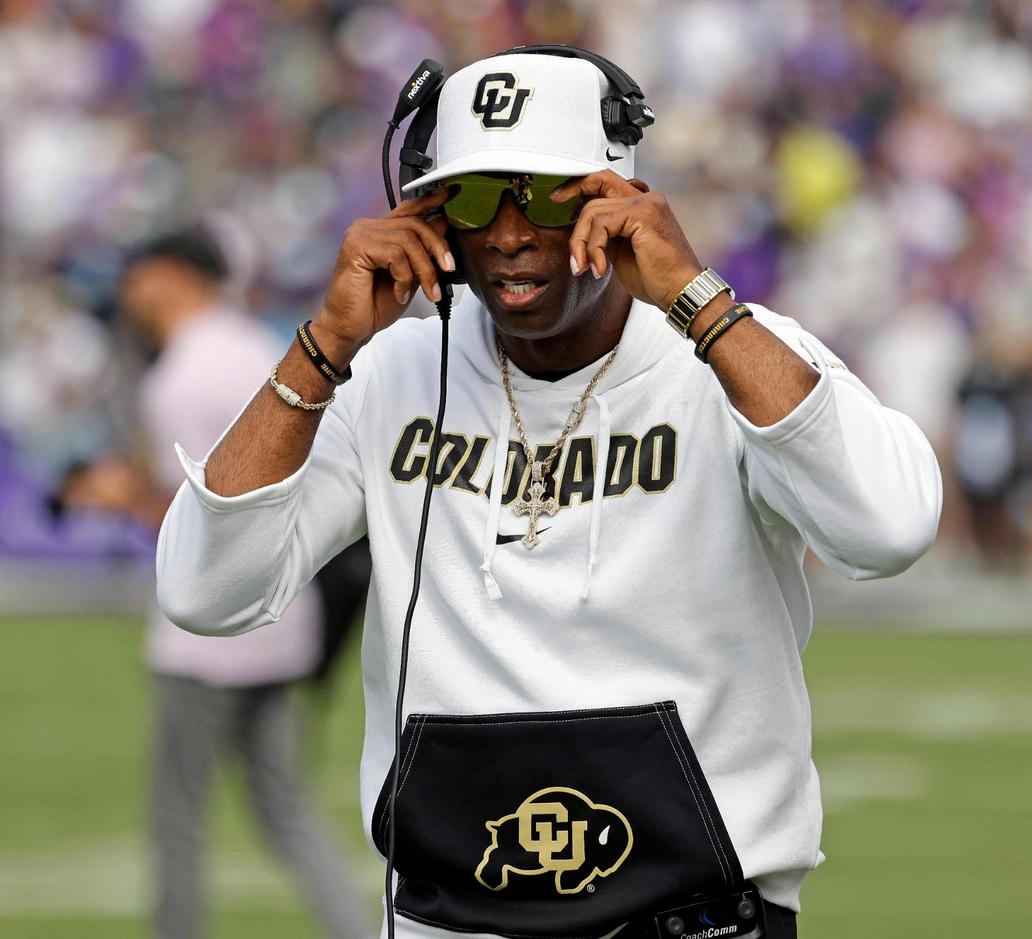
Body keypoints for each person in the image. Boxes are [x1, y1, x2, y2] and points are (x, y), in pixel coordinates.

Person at [156, 52, 942, 939]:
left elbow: (891, 528)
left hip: (689, 920)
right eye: (474, 195)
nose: (506, 230)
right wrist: (322, 348)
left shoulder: (737, 354)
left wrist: (700, 303)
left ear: (619, 196)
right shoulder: (384, 374)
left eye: (542, 192)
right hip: (445, 918)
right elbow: (203, 591)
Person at [62, 230, 372, 939]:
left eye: (138, 276)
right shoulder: (261, 345)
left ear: (172, 276)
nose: (129, 293)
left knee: (177, 816)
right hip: (280, 621)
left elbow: (202, 529)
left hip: (204, 639)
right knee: (287, 809)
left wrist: (123, 498)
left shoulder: (181, 375)